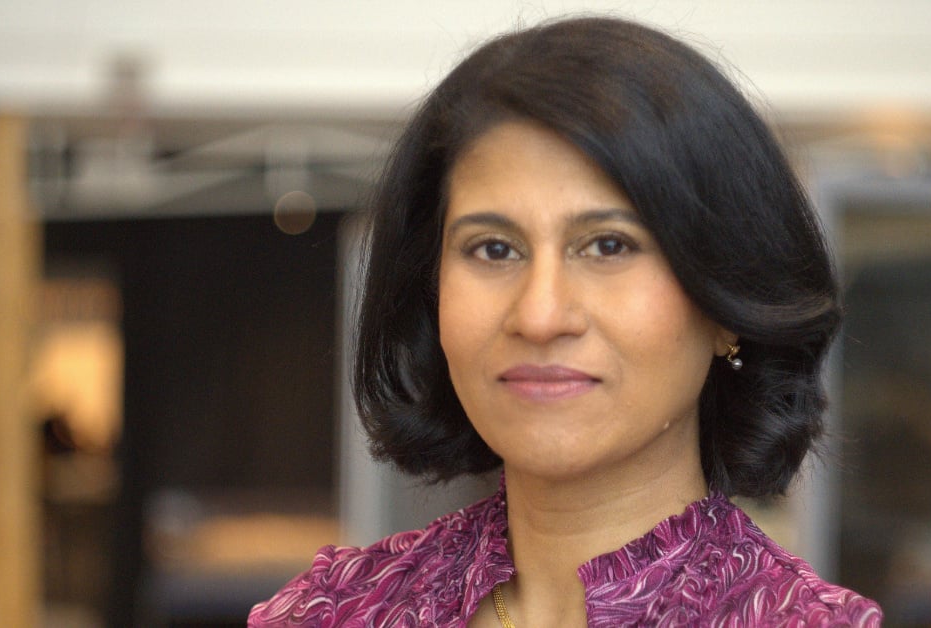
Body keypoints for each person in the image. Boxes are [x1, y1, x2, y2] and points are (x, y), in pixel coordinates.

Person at [250, 16, 881, 627]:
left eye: (608, 245)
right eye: (493, 249)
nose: (540, 315)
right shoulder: (333, 612)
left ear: (728, 303)